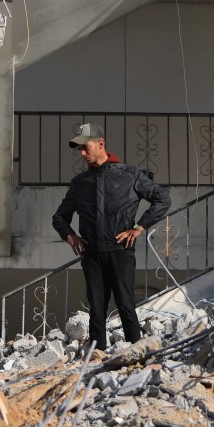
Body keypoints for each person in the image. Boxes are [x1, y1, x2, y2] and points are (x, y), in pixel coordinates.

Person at [52, 123, 170, 350]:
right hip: (91, 254)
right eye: (80, 149)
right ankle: (97, 356)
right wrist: (70, 237)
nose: (83, 154)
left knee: (126, 304)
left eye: (86, 147)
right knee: (96, 309)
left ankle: (137, 351)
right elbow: (59, 217)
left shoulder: (130, 175)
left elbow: (162, 199)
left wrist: (139, 227)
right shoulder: (80, 182)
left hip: (120, 251)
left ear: (101, 143)